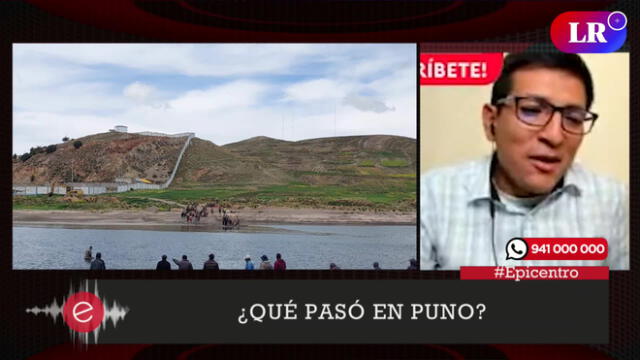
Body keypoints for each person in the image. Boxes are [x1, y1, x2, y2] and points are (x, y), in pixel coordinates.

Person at [421, 53, 629, 270]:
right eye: (531, 110)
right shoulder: (432, 197)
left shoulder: (612, 201)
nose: (555, 136)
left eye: (574, 118)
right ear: (491, 121)